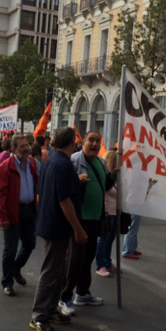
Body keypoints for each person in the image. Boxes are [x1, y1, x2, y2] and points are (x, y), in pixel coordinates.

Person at [30, 127, 87, 331]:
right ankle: (39, 314)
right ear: (72, 142)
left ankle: (51, 309)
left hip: (51, 222)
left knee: (58, 270)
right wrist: (78, 229)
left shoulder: (51, 162)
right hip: (57, 225)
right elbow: (65, 201)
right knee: (51, 271)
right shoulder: (63, 165)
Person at [60, 131, 116, 314]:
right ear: (82, 142)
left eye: (97, 141)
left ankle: (82, 293)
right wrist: (77, 180)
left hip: (95, 218)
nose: (94, 144)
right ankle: (64, 297)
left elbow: (106, 186)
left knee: (88, 258)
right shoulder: (75, 160)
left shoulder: (101, 162)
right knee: (74, 259)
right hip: (79, 219)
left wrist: (117, 174)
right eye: (91, 140)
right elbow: (63, 187)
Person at [0, 135, 39, 296]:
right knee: (10, 249)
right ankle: (7, 281)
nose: (27, 148)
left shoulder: (32, 163)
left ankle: (15, 269)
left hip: (29, 211)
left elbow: (37, 184)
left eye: (27, 145)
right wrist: (2, 217)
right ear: (13, 149)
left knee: (30, 245)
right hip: (13, 211)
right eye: (22, 147)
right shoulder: (6, 167)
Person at [95, 149, 119, 277]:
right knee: (103, 239)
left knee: (110, 239)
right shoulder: (106, 176)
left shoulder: (115, 177)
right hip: (107, 212)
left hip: (115, 212)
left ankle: (107, 261)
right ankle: (100, 265)